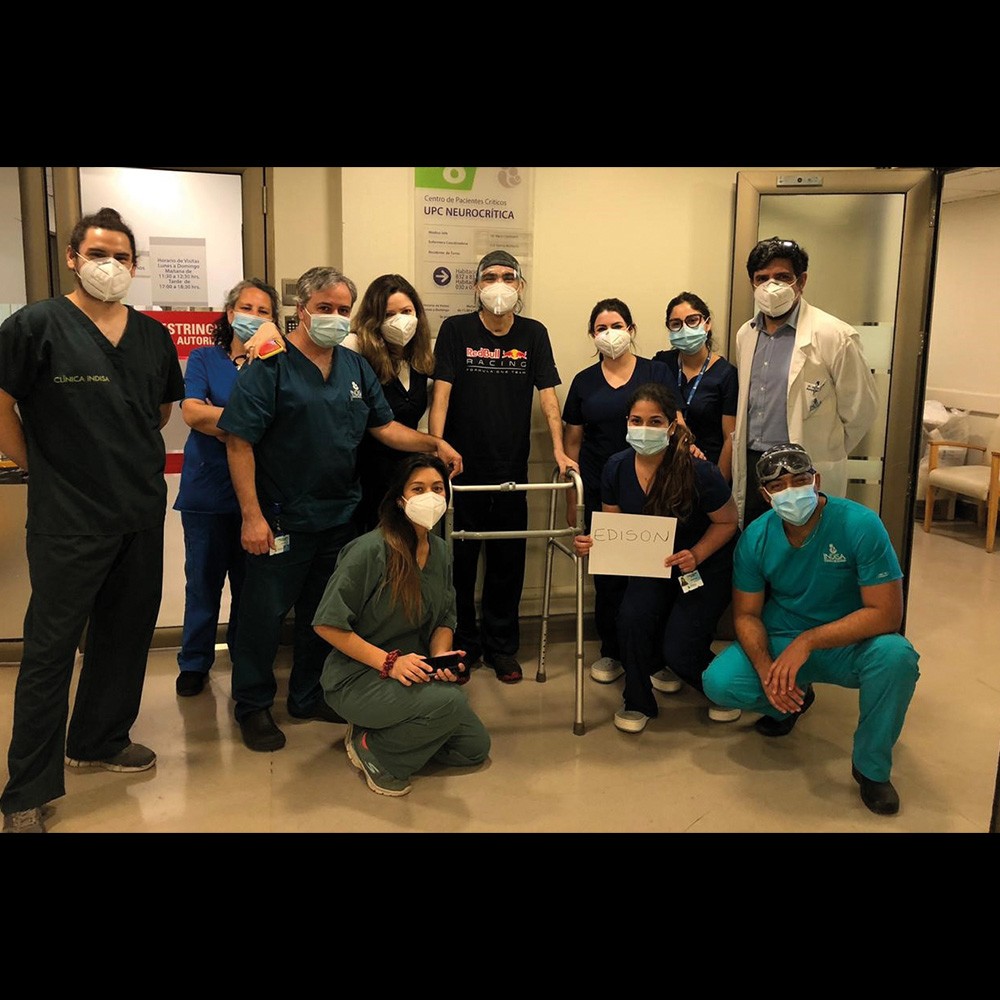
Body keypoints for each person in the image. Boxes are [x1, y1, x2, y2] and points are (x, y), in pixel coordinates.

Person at [218, 265, 463, 753]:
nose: (334, 316)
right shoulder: (271, 362)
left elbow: (384, 427)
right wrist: (252, 516)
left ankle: (308, 696)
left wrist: (434, 443)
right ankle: (253, 705)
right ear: (302, 309)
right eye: (324, 308)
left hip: (337, 517)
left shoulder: (353, 367)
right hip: (281, 517)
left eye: (342, 309)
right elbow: (239, 441)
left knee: (322, 613)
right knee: (264, 615)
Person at [0, 207, 184, 834]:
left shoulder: (152, 335)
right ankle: (26, 790)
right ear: (73, 258)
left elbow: (158, 411)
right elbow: (1, 403)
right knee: (49, 652)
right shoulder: (35, 326)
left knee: (124, 635)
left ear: (135, 265)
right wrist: (40, 468)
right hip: (69, 518)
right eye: (98, 254)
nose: (111, 265)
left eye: (122, 257)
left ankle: (99, 739)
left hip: (138, 511)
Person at [702, 444, 920, 815]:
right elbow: (747, 615)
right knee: (719, 682)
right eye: (778, 486)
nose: (791, 491)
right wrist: (766, 670)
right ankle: (790, 702)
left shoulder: (859, 525)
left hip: (849, 641)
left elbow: (886, 615)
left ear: (816, 480)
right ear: (765, 495)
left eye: (800, 480)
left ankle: (871, 768)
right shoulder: (756, 537)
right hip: (783, 636)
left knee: (896, 658)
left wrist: (809, 640)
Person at [430, 249, 576, 685]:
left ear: (520, 286)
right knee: (457, 564)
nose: (499, 284)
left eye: (508, 277)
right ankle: (462, 645)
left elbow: (549, 397)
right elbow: (441, 393)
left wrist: (559, 450)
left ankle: (501, 648)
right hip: (461, 471)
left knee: (507, 564)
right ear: (476, 286)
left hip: (512, 469)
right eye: (490, 276)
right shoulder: (456, 330)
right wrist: (438, 446)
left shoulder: (533, 334)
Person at [313, 455, 490, 797]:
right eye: (418, 489)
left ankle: (390, 728)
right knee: (450, 704)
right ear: (400, 499)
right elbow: (327, 624)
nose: (430, 497)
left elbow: (444, 618)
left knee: (473, 748)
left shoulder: (440, 552)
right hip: (358, 676)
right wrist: (390, 663)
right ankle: (375, 751)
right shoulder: (368, 551)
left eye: (437, 488)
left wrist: (440, 658)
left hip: (414, 671)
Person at [573, 383, 740, 733]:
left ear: (671, 426)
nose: (644, 429)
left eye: (655, 421)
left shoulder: (699, 471)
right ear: (626, 422)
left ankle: (726, 689)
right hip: (653, 564)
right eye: (636, 421)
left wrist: (696, 553)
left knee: (680, 649)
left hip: (703, 565)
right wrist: (593, 543)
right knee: (631, 619)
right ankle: (637, 701)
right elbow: (616, 527)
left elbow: (728, 522)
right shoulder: (616, 467)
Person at [561, 298, 680, 685]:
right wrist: (572, 500)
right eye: (601, 328)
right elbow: (572, 444)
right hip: (602, 489)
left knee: (656, 574)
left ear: (631, 329)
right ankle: (612, 651)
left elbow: (676, 423)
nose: (609, 334)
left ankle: (656, 657)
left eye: (616, 325)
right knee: (610, 577)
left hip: (655, 488)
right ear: (592, 335)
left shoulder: (656, 371)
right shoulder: (584, 382)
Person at [173, 278, 281, 697]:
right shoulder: (205, 358)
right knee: (203, 582)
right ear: (230, 312)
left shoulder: (274, 364)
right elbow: (192, 413)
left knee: (250, 587)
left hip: (257, 494)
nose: (253, 316)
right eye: (246, 308)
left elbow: (284, 419)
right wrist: (249, 424)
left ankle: (244, 655)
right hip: (207, 493)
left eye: (263, 311)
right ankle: (194, 661)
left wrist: (221, 419)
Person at [731, 237, 879, 527]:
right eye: (762, 278)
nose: (771, 286)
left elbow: (861, 410)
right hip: (754, 463)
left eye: (782, 277)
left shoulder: (834, 335)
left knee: (807, 539)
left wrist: (826, 447)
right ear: (752, 284)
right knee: (758, 537)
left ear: (801, 281)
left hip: (803, 466)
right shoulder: (745, 334)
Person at [341, 273, 435, 533]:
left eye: (406, 311)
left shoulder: (422, 359)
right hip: (364, 477)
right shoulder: (354, 347)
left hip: (407, 477)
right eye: (389, 314)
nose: (400, 320)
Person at [653, 291, 738, 482]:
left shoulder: (726, 374)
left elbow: (730, 438)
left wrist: (719, 483)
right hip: (665, 469)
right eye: (676, 324)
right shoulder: (662, 363)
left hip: (706, 468)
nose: (684, 329)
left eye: (692, 320)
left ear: (707, 323)